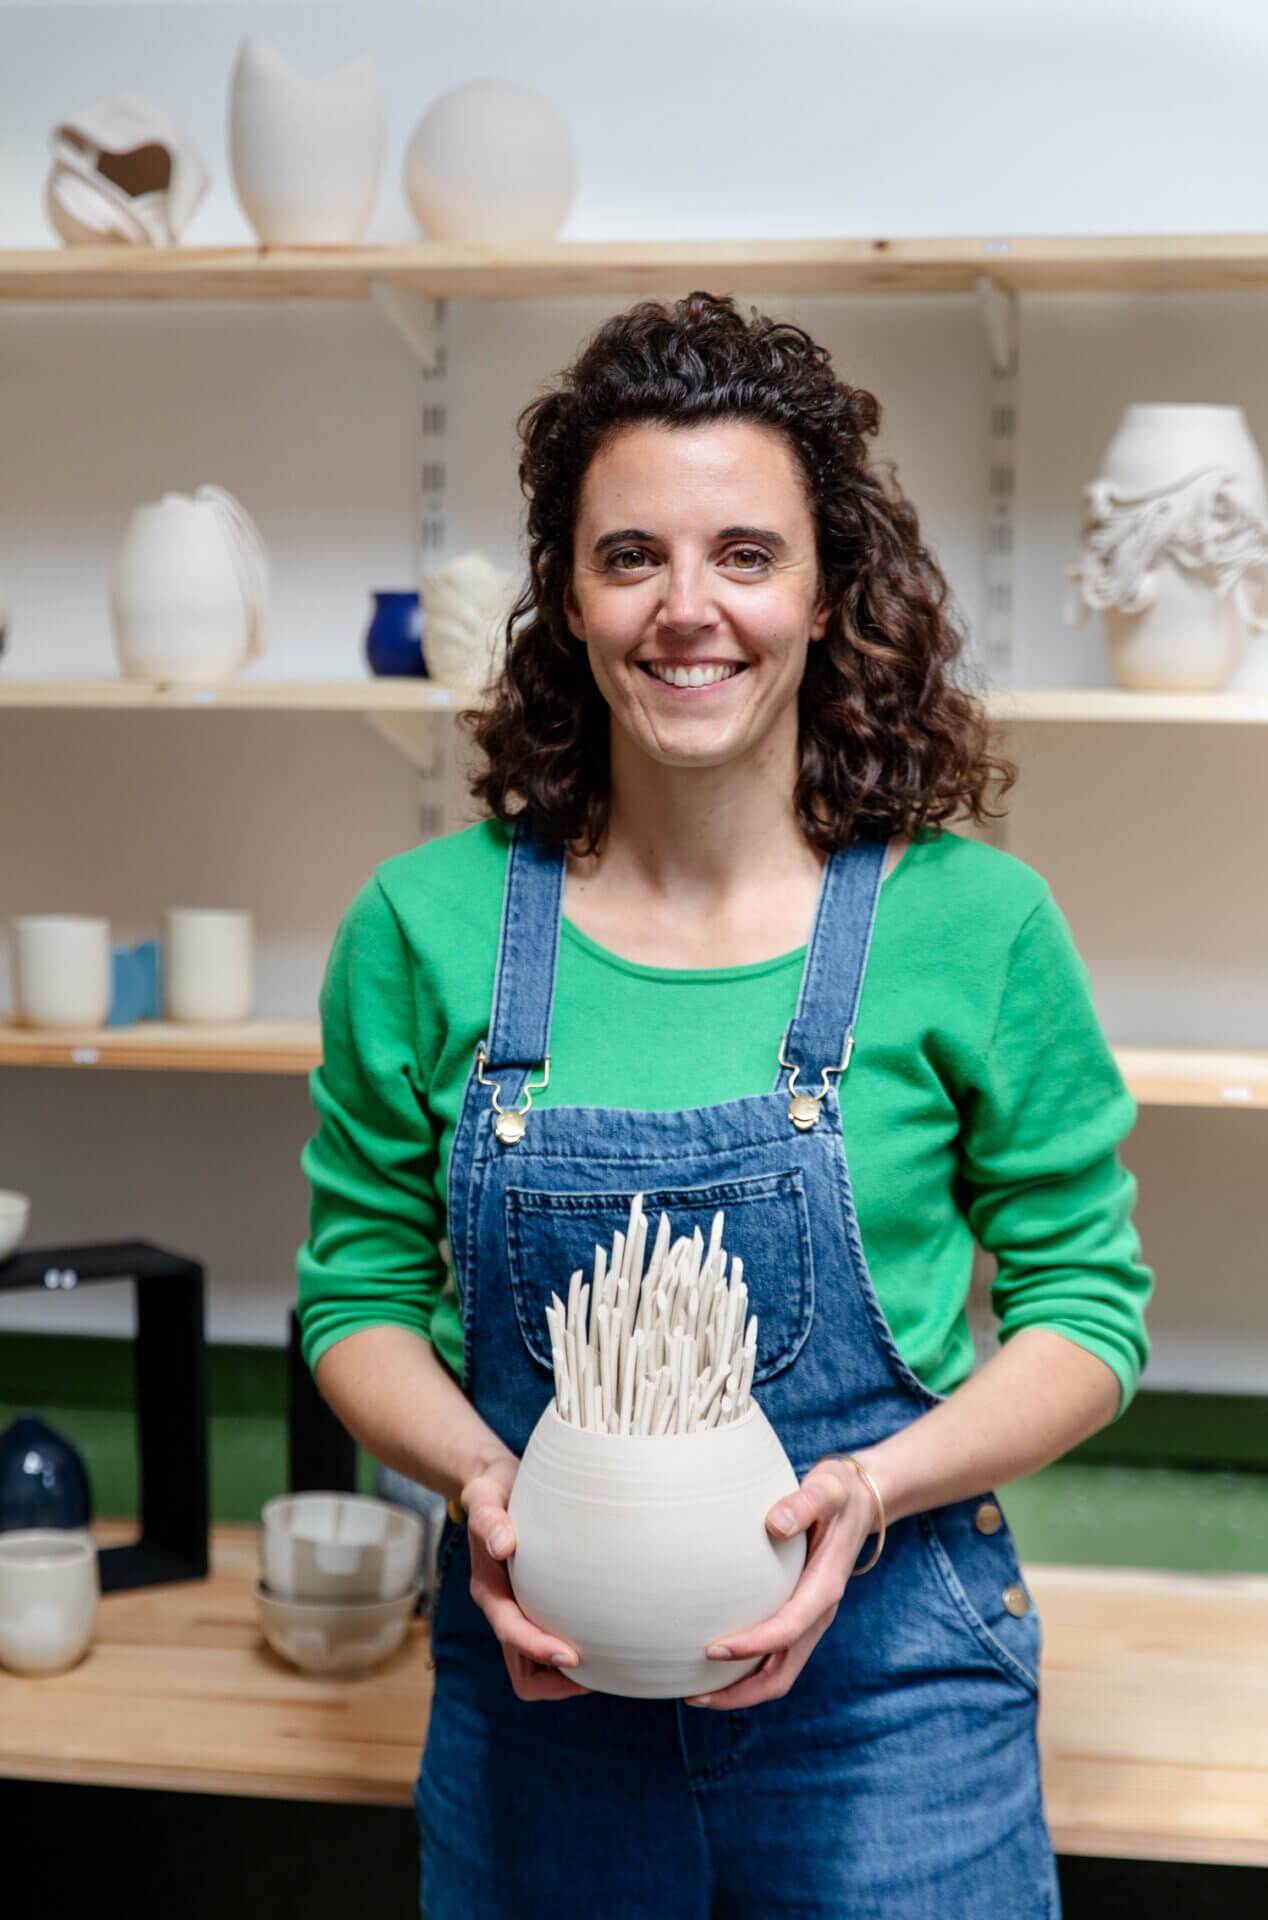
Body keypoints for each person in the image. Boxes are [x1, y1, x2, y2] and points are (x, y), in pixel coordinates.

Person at [296, 292, 1152, 1918]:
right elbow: (354, 1297)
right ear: (566, 592)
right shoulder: (420, 926)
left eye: (746, 555)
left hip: (894, 1704)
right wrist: (489, 1486)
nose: (690, 611)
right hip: (538, 1697)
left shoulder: (975, 927)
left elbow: (1087, 1312)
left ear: (829, 590)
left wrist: (869, 1495)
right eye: (633, 558)